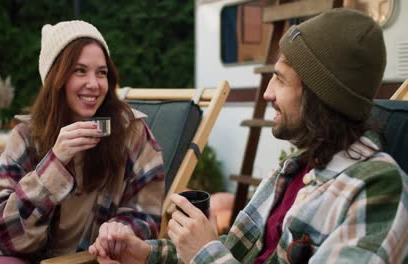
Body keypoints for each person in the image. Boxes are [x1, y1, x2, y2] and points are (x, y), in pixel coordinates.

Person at [90, 8, 408, 264]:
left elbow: (213, 254)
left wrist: (205, 253)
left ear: (320, 95)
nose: (267, 92)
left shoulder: (378, 190)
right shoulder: (293, 171)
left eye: (280, 81)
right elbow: (233, 251)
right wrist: (145, 254)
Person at [0, 20, 165, 263]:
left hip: (91, 259)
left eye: (102, 72)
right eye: (80, 70)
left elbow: (145, 218)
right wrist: (55, 163)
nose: (94, 84)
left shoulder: (132, 133)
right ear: (57, 78)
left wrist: (119, 229)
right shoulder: (26, 136)